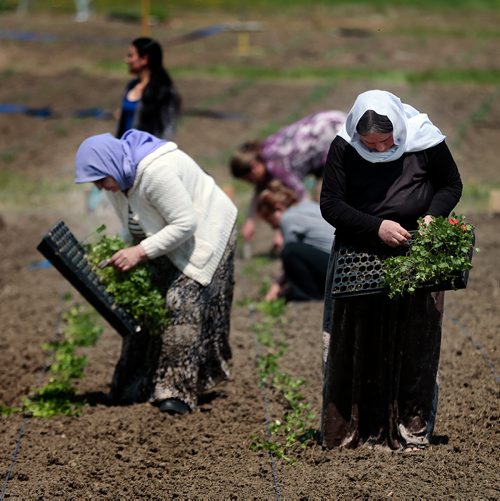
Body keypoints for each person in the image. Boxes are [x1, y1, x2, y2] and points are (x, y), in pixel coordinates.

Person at [319, 90, 463, 451]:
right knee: (358, 343)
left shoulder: (423, 139)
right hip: (360, 250)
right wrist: (375, 227)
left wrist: (433, 215)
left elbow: (450, 185)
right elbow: (331, 205)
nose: (381, 149)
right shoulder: (344, 147)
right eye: (371, 144)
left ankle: (410, 428)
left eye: (387, 142)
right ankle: (356, 431)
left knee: (414, 341)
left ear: (398, 128)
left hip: (415, 251)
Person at [75, 129, 237, 414]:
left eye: (101, 180)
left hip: (207, 231)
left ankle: (176, 393)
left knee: (180, 303)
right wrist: (121, 254)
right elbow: (131, 224)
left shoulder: (155, 172)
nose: (101, 187)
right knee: (146, 309)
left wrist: (139, 252)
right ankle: (137, 384)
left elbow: (186, 224)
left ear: (111, 165)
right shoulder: (119, 179)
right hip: (168, 235)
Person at [230, 110, 346, 245]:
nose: (252, 183)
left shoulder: (276, 163)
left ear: (255, 167)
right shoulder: (265, 151)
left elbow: (302, 195)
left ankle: (329, 238)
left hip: (332, 133)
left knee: (325, 195)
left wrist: (285, 231)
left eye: (250, 179)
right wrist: (250, 220)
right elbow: (259, 188)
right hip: (330, 124)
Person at [256, 180, 335, 302]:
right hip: (338, 260)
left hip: (332, 264)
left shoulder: (287, 218)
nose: (273, 227)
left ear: (278, 208)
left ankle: (310, 294)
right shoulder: (306, 205)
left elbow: (290, 256)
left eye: (271, 221)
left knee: (289, 251)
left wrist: (276, 286)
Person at [116, 37, 181, 140]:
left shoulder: (163, 91)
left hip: (148, 154)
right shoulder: (131, 86)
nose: (126, 60)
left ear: (144, 59)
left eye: (130, 56)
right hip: (126, 152)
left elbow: (167, 130)